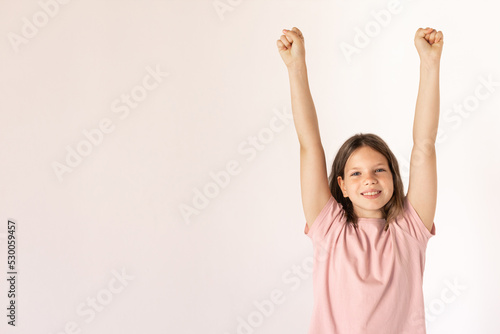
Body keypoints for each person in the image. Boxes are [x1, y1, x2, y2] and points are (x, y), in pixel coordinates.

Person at [276, 27, 443, 333]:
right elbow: (309, 146)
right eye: (356, 173)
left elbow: (425, 145)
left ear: (393, 176)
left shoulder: (409, 230)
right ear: (340, 184)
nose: (369, 180)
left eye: (379, 170)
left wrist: (430, 65)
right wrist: (296, 67)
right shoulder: (330, 229)